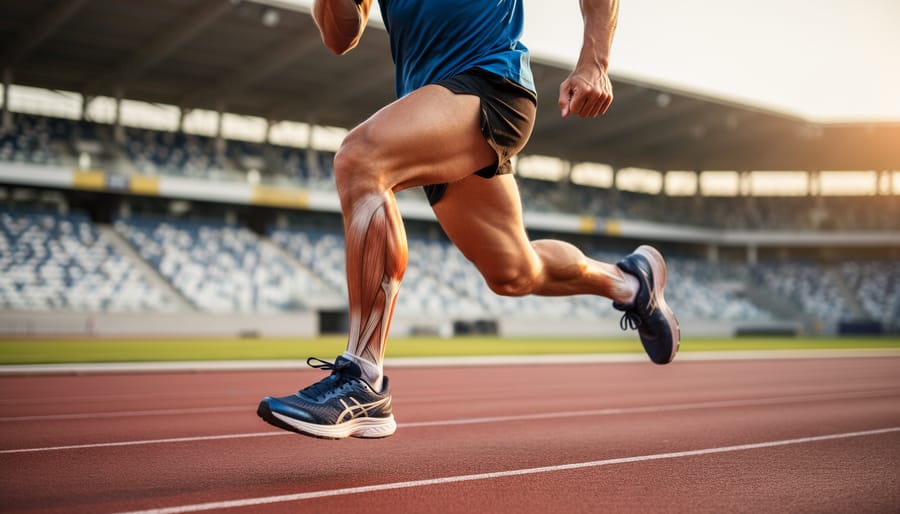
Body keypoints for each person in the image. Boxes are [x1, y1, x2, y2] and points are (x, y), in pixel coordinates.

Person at [258, 0, 679, 440]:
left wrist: (594, 62)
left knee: (360, 161)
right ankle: (629, 283)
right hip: (431, 104)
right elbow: (340, 36)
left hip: (490, 82)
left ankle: (364, 377)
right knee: (514, 272)